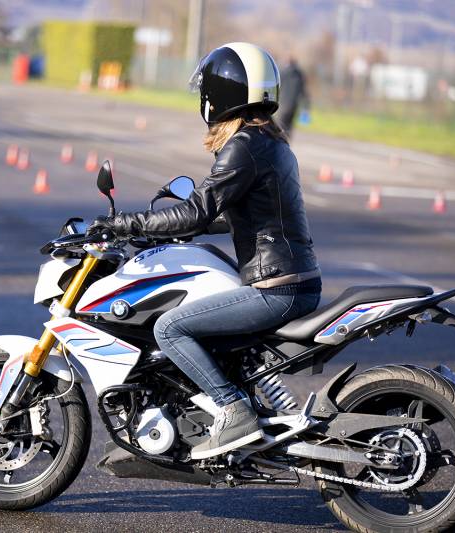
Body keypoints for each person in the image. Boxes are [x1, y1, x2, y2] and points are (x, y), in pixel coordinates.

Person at [90, 42, 321, 460]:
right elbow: (234, 214)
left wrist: (126, 222)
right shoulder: (271, 142)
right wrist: (169, 231)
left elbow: (197, 211)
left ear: (221, 95)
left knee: (170, 328)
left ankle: (234, 411)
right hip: (293, 280)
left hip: (276, 287)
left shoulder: (243, 145)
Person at [277, 57, 309, 137]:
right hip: (294, 105)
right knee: (289, 127)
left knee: (280, 126)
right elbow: (303, 92)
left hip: (283, 105)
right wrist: (306, 106)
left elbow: (277, 87)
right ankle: (286, 145)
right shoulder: (300, 75)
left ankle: (281, 145)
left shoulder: (282, 73)